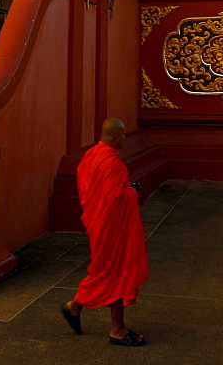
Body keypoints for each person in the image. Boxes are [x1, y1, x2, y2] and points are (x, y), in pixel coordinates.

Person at [61, 118, 149, 346]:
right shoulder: (113, 164)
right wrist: (131, 192)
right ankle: (117, 329)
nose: (125, 141)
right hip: (111, 227)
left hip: (96, 222)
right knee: (118, 272)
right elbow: (113, 200)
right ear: (117, 137)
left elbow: (90, 190)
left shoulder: (90, 155)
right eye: (123, 137)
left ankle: (75, 306)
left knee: (101, 271)